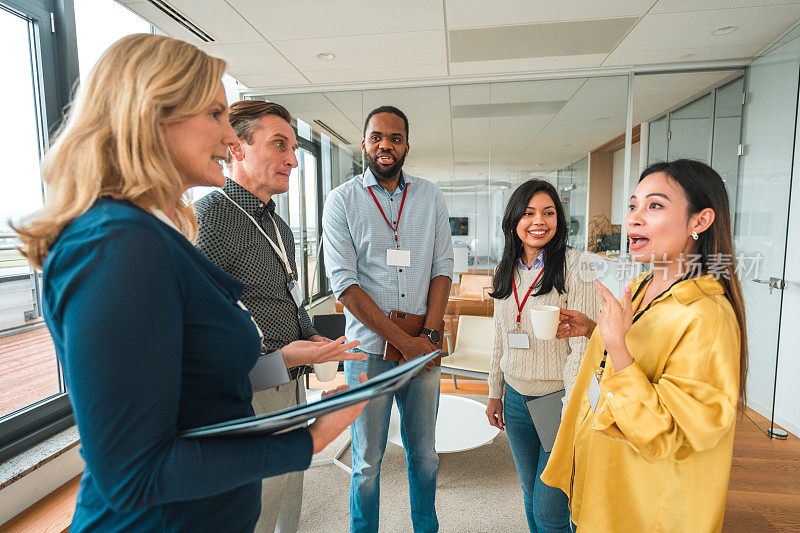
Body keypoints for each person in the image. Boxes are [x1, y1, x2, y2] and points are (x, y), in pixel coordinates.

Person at [13, 34, 367, 532]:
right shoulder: (117, 245)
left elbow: (187, 381)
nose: (230, 137)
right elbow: (132, 475)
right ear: (154, 114)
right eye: (217, 115)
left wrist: (290, 369)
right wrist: (308, 440)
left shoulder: (143, 237)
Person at [543, 159, 747, 532]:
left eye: (655, 206)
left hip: (647, 504)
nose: (634, 219)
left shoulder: (706, 316)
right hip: (603, 474)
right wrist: (596, 332)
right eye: (633, 205)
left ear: (699, 221)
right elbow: (637, 358)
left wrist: (618, 349)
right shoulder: (639, 287)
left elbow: (668, 433)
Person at [194, 100, 365, 533]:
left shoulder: (277, 226)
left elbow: (287, 299)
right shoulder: (212, 218)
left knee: (288, 487)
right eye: (279, 145)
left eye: (293, 147)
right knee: (257, 501)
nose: (292, 159)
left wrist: (316, 345)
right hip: (247, 391)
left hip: (288, 383)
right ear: (236, 148)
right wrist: (279, 359)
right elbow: (197, 332)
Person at [322, 105, 454, 532]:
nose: (385, 145)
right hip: (367, 352)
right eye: (377, 136)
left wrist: (429, 335)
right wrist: (406, 341)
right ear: (364, 143)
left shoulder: (429, 196)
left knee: (425, 455)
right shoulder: (341, 200)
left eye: (395, 138)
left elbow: (442, 266)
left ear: (406, 147)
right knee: (367, 462)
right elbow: (345, 285)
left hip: (422, 347)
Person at [484, 179, 598, 533]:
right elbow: (500, 338)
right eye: (529, 213)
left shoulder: (577, 266)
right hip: (516, 400)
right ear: (514, 220)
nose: (539, 221)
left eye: (548, 213)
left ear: (559, 220)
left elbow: (581, 346)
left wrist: (570, 408)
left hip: (557, 400)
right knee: (530, 494)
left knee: (551, 509)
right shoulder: (504, 269)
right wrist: (494, 391)